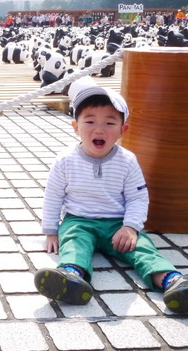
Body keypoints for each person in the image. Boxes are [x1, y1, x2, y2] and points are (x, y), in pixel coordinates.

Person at [34, 86, 188, 313]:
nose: (99, 129)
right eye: (90, 121)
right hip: (79, 220)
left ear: (122, 130)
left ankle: (172, 281)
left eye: (109, 123)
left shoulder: (127, 161)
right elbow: (53, 196)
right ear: (76, 127)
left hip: (118, 223)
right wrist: (50, 231)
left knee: (143, 249)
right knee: (74, 243)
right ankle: (71, 277)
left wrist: (131, 227)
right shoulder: (65, 161)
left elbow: (137, 198)